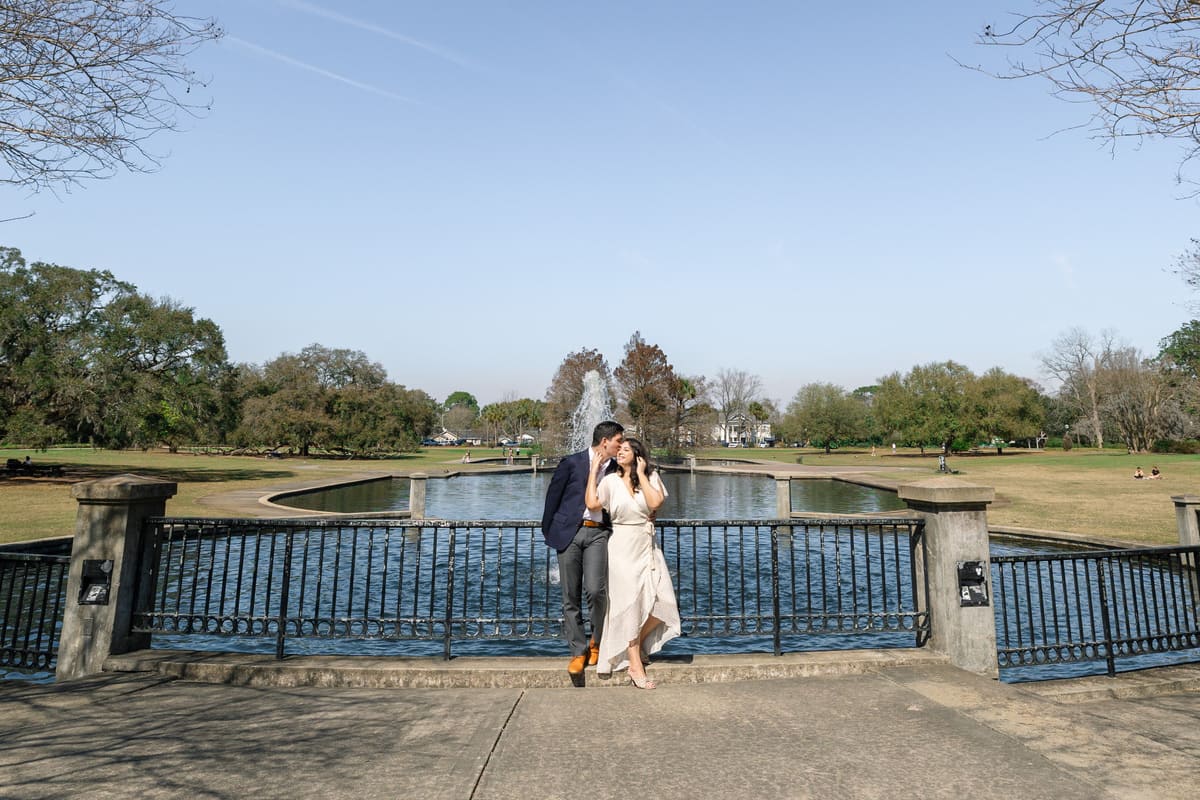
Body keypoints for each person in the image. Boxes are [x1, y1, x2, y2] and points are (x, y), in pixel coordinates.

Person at [585, 436, 681, 689]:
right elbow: (592, 503)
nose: (620, 453)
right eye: (620, 450)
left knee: (663, 601)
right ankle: (634, 663)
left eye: (626, 450)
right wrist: (594, 470)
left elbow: (656, 503)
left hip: (647, 545)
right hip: (621, 547)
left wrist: (641, 472)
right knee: (628, 605)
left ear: (638, 455)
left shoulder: (651, 477)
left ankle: (634, 642)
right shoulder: (609, 481)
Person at [541, 420, 624, 686]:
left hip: (599, 533)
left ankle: (596, 641)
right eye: (618, 441)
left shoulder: (617, 468)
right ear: (605, 442)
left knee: (596, 590)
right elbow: (553, 498)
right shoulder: (572, 463)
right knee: (570, 596)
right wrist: (550, 531)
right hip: (570, 534)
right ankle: (577, 651)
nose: (621, 446)